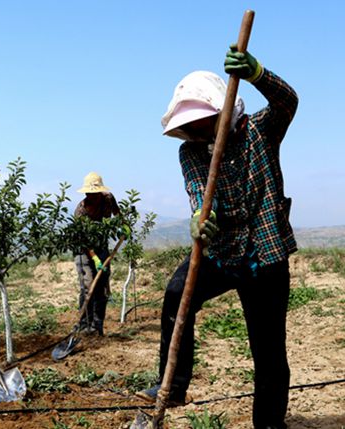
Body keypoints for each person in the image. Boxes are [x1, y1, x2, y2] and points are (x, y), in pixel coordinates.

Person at [137, 44, 298, 429]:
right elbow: (198, 190)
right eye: (187, 128)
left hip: (265, 254)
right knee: (178, 292)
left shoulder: (260, 131)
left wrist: (259, 73)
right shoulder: (190, 153)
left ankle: (270, 424)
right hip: (223, 254)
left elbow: (288, 102)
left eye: (199, 124)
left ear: (221, 112)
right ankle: (173, 384)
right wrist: (198, 216)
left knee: (268, 351)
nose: (192, 133)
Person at [73, 172, 120, 336]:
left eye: (93, 193)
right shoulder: (80, 211)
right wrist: (93, 257)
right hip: (83, 250)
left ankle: (97, 326)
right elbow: (84, 239)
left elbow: (117, 213)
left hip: (101, 246)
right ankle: (83, 324)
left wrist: (124, 225)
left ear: (99, 192)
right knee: (88, 286)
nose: (89, 196)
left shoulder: (108, 198)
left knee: (101, 286)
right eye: (87, 193)